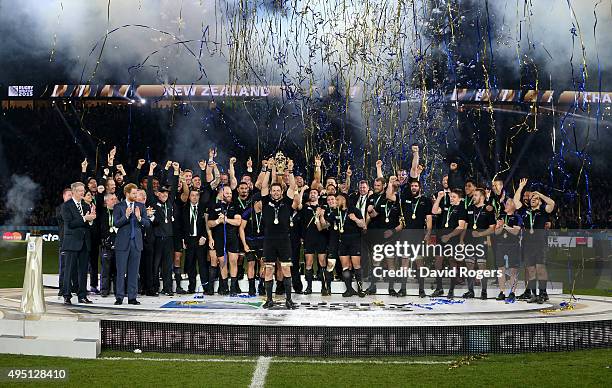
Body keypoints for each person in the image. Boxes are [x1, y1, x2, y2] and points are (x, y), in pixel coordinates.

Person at [260, 158, 300, 309]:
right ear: (270, 192)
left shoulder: (287, 202)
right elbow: (263, 185)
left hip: (284, 240)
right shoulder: (265, 202)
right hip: (269, 241)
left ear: (281, 192)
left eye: (278, 190)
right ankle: (269, 299)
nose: (276, 192)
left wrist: (289, 170)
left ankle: (289, 300)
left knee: (285, 269)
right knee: (268, 269)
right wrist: (270, 169)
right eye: (273, 190)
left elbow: (293, 185)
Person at [387, 177, 432, 297]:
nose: (414, 188)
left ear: (420, 188)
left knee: (419, 261)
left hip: (419, 235)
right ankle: (403, 289)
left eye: (416, 186)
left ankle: (421, 290)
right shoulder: (405, 199)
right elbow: (389, 197)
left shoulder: (426, 201)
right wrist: (391, 184)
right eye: (412, 186)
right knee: (404, 261)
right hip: (406, 234)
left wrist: (428, 234)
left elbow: (429, 219)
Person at [514, 178, 555, 303]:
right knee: (530, 269)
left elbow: (552, 203)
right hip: (527, 244)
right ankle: (533, 294)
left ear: (539, 201)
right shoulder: (525, 211)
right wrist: (520, 187)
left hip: (540, 244)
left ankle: (543, 293)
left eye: (535, 198)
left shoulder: (543, 211)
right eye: (531, 198)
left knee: (540, 268)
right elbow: (516, 201)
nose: (533, 199)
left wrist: (540, 194)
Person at [113, 183, 150, 305]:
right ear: (127, 193)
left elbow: (147, 223)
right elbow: (116, 223)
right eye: (133, 193)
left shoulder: (141, 206)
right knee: (120, 271)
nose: (136, 195)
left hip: (136, 243)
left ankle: (132, 297)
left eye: (136, 193)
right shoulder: (118, 206)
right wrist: (126, 216)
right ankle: (119, 297)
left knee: (134, 271)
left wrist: (139, 218)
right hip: (122, 243)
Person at [61, 182, 96, 305]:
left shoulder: (86, 206)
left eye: (83, 190)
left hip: (85, 242)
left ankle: (82, 295)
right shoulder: (66, 206)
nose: (83, 192)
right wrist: (84, 219)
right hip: (72, 242)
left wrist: (91, 220)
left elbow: (88, 224)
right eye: (80, 190)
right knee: (69, 270)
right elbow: (70, 224)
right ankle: (66, 294)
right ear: (74, 191)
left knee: (83, 271)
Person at [431, 188, 467, 298]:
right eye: (450, 196)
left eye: (454, 197)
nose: (451, 198)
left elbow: (461, 226)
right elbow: (434, 211)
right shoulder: (447, 207)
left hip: (452, 239)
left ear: (459, 198)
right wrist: (439, 198)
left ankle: (451, 290)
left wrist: (449, 236)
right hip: (441, 238)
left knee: (452, 263)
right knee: (438, 261)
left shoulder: (462, 209)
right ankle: (439, 288)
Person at [207, 185, 242, 295]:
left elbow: (238, 222)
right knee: (222, 262)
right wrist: (218, 221)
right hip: (219, 238)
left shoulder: (235, 205)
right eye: (227, 193)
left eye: (230, 193)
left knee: (233, 261)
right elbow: (209, 223)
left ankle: (233, 287)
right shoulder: (215, 206)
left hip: (232, 237)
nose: (229, 195)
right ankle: (225, 286)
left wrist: (226, 220)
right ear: (222, 194)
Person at [463, 188, 496, 299]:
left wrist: (480, 235)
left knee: (482, 266)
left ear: (482, 197)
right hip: (469, 242)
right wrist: (461, 240)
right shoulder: (469, 208)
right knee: (469, 267)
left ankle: (484, 291)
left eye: (476, 195)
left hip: (481, 242)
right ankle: (470, 291)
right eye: (473, 195)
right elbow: (465, 226)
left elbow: (492, 228)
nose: (473, 197)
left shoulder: (488, 209)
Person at [494, 198, 522, 302]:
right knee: (501, 269)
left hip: (513, 245)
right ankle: (502, 292)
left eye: (509, 203)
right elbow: (496, 232)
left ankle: (512, 292)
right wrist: (500, 227)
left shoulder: (517, 217)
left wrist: (504, 226)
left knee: (513, 270)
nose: (506, 204)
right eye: (506, 203)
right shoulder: (501, 216)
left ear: (514, 206)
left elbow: (515, 232)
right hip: (501, 245)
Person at [181, 189, 208, 294]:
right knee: (190, 265)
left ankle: (206, 288)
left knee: (202, 265)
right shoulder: (184, 209)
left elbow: (207, 224)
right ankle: (191, 287)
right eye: (192, 195)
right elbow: (181, 226)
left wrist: (204, 237)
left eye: (197, 195)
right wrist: (183, 239)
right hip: (189, 240)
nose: (195, 197)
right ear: (189, 197)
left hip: (200, 239)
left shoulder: (203, 208)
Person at [56, 187, 76, 297]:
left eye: (72, 195)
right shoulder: (60, 208)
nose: (70, 197)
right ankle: (62, 288)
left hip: (75, 241)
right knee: (64, 267)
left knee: (74, 266)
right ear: (64, 196)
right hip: (64, 242)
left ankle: (73, 287)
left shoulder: (74, 208)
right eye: (69, 195)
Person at [99, 192, 118, 297]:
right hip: (106, 244)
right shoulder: (102, 212)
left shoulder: (119, 211)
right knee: (105, 269)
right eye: (112, 199)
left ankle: (117, 290)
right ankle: (104, 290)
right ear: (106, 201)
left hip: (118, 244)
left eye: (115, 199)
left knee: (117, 270)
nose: (114, 201)